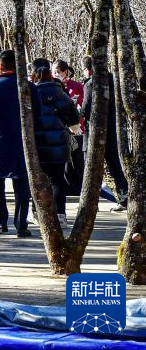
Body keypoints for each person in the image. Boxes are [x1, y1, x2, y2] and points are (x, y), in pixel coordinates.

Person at [0, 49, 41, 237]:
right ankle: (21, 224)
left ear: (0, 66)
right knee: (21, 183)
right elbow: (38, 114)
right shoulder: (29, 87)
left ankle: (0, 222)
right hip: (23, 141)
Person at [30, 59, 81, 227]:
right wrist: (72, 128)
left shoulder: (31, 93)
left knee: (38, 180)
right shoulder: (60, 93)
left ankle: (39, 214)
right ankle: (60, 216)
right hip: (60, 144)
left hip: (37, 144)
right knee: (58, 180)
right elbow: (74, 118)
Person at [82, 56, 129, 210]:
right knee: (115, 166)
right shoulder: (114, 81)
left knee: (90, 168)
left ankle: (88, 202)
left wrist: (78, 111)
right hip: (112, 131)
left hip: (94, 134)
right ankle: (125, 196)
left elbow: (86, 109)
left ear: (88, 69)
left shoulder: (90, 84)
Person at [55, 59, 86, 196]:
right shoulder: (54, 87)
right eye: (54, 71)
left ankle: (80, 185)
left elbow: (82, 105)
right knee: (65, 158)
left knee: (77, 157)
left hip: (75, 128)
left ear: (65, 71)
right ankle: (67, 186)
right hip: (61, 129)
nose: (56, 74)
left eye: (58, 71)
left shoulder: (77, 86)